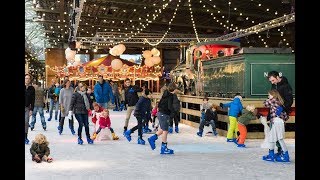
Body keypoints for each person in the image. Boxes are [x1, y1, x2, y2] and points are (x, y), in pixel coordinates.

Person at [267, 71, 293, 156]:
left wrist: (282, 108)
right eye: (271, 81)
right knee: (272, 133)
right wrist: (269, 114)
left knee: (278, 133)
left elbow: (290, 101)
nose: (272, 82)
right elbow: (271, 100)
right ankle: (277, 150)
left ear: (278, 77)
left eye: (273, 80)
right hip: (273, 114)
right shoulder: (274, 85)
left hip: (281, 115)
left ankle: (281, 150)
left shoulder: (286, 86)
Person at [147, 83, 176, 154]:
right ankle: (164, 148)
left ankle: (152, 138)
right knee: (165, 131)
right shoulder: (171, 96)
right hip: (164, 114)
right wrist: (173, 112)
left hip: (160, 113)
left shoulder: (165, 94)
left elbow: (159, 104)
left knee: (162, 129)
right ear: (174, 89)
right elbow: (169, 106)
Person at [262, 89, 289, 161]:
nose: (268, 96)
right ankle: (272, 154)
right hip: (278, 122)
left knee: (279, 138)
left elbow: (265, 103)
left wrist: (268, 99)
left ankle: (285, 156)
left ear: (273, 95)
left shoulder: (273, 100)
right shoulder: (279, 102)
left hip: (277, 122)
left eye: (269, 95)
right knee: (272, 137)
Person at [25, 74, 35, 144]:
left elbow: (33, 100)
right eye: (26, 78)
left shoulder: (32, 88)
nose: (27, 79)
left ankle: (25, 137)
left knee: (26, 122)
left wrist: (31, 109)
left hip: (27, 108)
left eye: (28, 78)